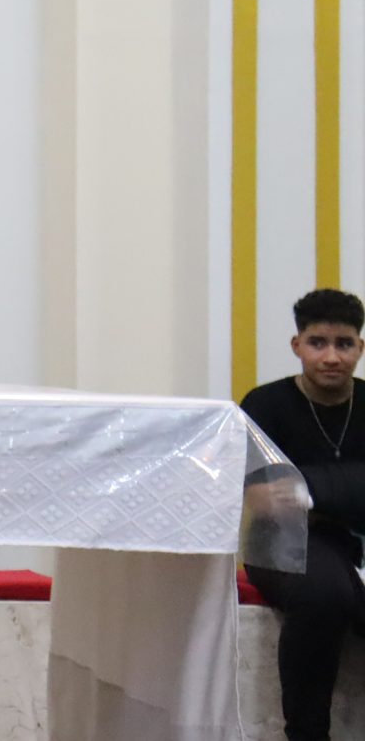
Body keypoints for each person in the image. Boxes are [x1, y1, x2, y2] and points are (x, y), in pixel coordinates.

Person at [241, 288, 365, 741]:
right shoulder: (265, 404)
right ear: (297, 345)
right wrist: (347, 488)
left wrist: (307, 488)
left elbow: (288, 492)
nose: (331, 356)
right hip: (285, 544)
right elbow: (264, 499)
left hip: (353, 541)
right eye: (318, 343)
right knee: (325, 595)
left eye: (344, 344)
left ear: (360, 347)